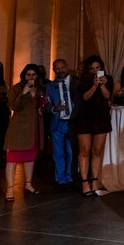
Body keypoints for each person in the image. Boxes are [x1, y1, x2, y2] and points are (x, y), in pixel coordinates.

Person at [4, 64, 44, 200]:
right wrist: (23, 93)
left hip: (33, 127)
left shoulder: (39, 89)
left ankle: (28, 184)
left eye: (33, 75)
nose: (31, 78)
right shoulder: (16, 88)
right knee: (12, 158)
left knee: (30, 156)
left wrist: (37, 97)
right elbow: (14, 106)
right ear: (24, 75)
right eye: (28, 75)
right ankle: (10, 189)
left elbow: (43, 105)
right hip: (18, 128)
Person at [75, 55, 113, 197]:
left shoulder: (108, 79)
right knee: (84, 151)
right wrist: (94, 85)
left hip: (101, 118)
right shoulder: (83, 81)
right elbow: (85, 97)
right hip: (85, 118)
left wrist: (102, 84)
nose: (95, 71)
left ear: (102, 68)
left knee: (97, 151)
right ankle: (85, 182)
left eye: (98, 68)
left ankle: (95, 180)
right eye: (92, 69)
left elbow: (107, 96)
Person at [45, 59, 81, 189]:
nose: (60, 71)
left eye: (62, 67)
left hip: (72, 122)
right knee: (58, 152)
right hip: (57, 123)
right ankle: (60, 180)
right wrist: (55, 109)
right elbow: (47, 104)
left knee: (71, 152)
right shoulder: (50, 86)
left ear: (67, 67)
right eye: (57, 68)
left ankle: (71, 177)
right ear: (54, 70)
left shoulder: (76, 82)